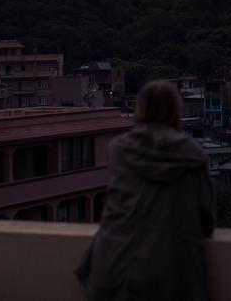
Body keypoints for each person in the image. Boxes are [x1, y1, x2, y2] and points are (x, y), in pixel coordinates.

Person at [77, 79, 215, 301]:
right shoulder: (192, 155)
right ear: (176, 109)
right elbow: (206, 221)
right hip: (170, 273)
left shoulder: (119, 150)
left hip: (112, 265)